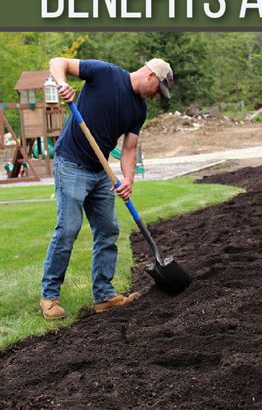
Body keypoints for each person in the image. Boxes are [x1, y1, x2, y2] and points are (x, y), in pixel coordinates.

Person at [40, 55, 173, 319]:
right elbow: (58, 62)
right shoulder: (105, 73)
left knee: (108, 229)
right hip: (71, 164)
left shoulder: (139, 110)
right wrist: (62, 83)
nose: (157, 96)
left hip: (100, 172)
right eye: (158, 89)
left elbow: (129, 149)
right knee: (68, 228)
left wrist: (127, 180)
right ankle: (49, 296)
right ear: (150, 76)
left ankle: (104, 295)